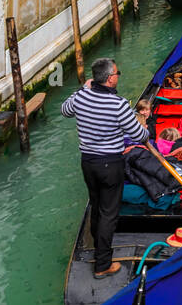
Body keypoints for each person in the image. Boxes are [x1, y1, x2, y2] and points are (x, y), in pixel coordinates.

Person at [61, 58, 148, 278]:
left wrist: (83, 88)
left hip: (88, 163)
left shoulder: (81, 96)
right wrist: (146, 133)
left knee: (97, 204)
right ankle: (102, 265)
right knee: (109, 213)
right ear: (110, 78)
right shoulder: (118, 105)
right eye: (118, 73)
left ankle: (95, 244)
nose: (119, 76)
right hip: (110, 164)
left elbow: (65, 110)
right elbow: (139, 135)